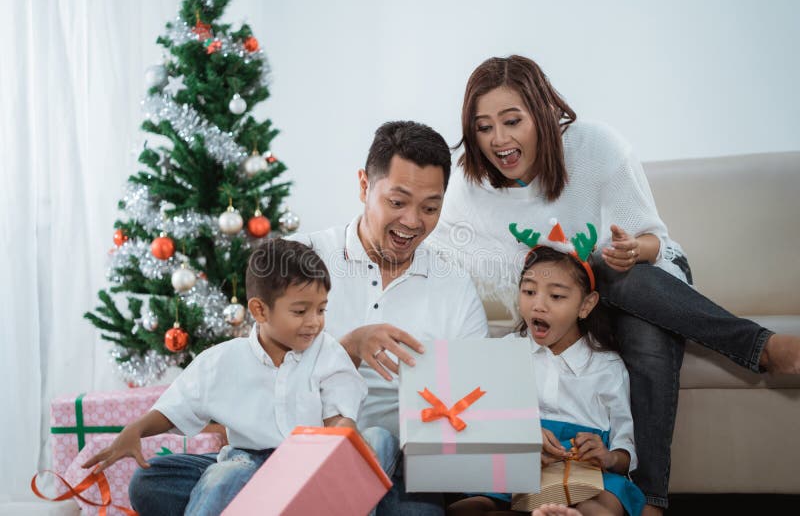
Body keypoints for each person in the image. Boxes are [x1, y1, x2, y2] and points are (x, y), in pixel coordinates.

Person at [427, 54, 800, 514]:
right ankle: (650, 497)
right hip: (564, 302)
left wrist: (632, 250)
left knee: (608, 272)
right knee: (573, 277)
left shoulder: (596, 147)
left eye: (512, 121)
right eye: (483, 127)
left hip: (644, 281)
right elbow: (433, 245)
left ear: (541, 113)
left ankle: (759, 353)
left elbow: (653, 241)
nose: (499, 140)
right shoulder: (469, 188)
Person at [82, 238, 368, 516]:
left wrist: (345, 431)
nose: (314, 322)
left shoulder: (327, 352)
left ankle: (252, 501)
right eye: (300, 311)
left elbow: (339, 416)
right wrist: (136, 430)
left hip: (304, 469)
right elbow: (177, 407)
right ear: (260, 310)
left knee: (225, 479)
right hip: (246, 461)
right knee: (151, 482)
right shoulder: (223, 359)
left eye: (321, 309)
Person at [290, 120, 489, 515]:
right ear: (365, 186)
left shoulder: (454, 286)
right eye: (397, 202)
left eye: (430, 208)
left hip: (407, 469)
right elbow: (260, 376)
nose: (413, 222)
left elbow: (478, 405)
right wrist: (348, 348)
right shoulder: (302, 259)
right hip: (304, 450)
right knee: (153, 483)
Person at [447, 222, 645, 516]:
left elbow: (624, 448)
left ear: (586, 305)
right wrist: (518, 435)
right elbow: (476, 420)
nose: (538, 306)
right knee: (468, 507)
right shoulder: (504, 353)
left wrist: (607, 457)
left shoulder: (607, 366)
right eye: (528, 291)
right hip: (519, 469)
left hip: (586, 475)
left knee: (605, 507)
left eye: (556, 296)